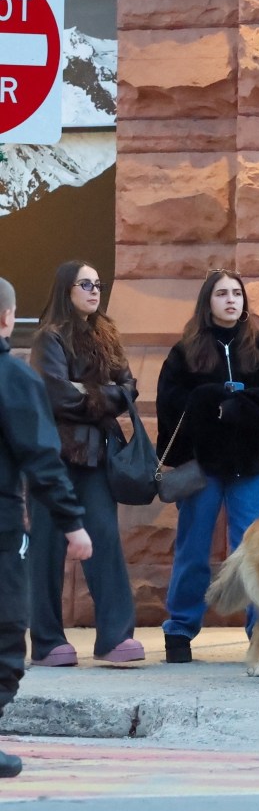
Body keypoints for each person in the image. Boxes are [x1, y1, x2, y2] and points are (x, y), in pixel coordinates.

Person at [156, 268, 259, 664]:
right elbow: (171, 404)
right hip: (203, 467)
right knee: (193, 551)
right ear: (207, 302)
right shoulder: (185, 352)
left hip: (248, 467)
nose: (231, 300)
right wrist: (210, 403)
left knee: (254, 552)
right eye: (221, 294)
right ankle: (179, 630)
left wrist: (234, 407)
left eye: (236, 293)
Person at [28, 261, 143, 667]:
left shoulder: (108, 336)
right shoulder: (49, 338)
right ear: (67, 289)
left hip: (96, 456)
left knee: (104, 541)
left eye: (98, 284)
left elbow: (130, 389)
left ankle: (115, 638)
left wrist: (94, 392)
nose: (95, 291)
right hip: (54, 456)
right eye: (86, 284)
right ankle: (46, 641)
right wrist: (103, 394)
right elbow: (58, 396)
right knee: (46, 547)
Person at [0, 277, 92, 777]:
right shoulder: (13, 379)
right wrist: (72, 523)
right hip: (2, 528)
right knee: (8, 636)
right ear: (8, 319)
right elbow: (41, 455)